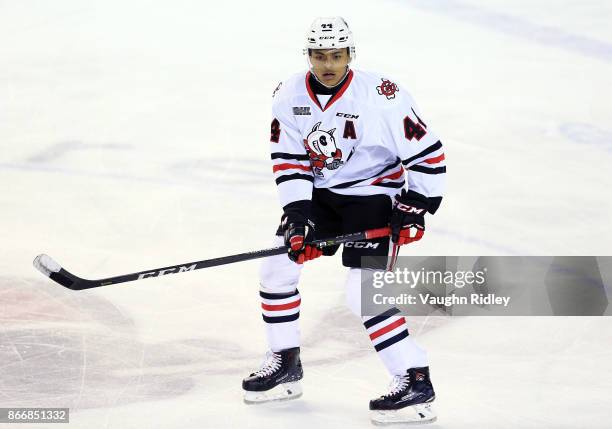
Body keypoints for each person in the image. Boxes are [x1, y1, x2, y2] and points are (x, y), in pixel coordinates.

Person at [242, 16, 446, 425]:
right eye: (320, 56)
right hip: (323, 198)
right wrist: (299, 217)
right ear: (309, 56)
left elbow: (426, 154)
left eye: (337, 55)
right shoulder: (289, 95)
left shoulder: (382, 97)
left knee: (362, 294)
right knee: (276, 269)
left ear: (351, 54)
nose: (329, 64)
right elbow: (290, 160)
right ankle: (285, 363)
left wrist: (416, 205)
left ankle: (414, 379)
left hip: (374, 196)